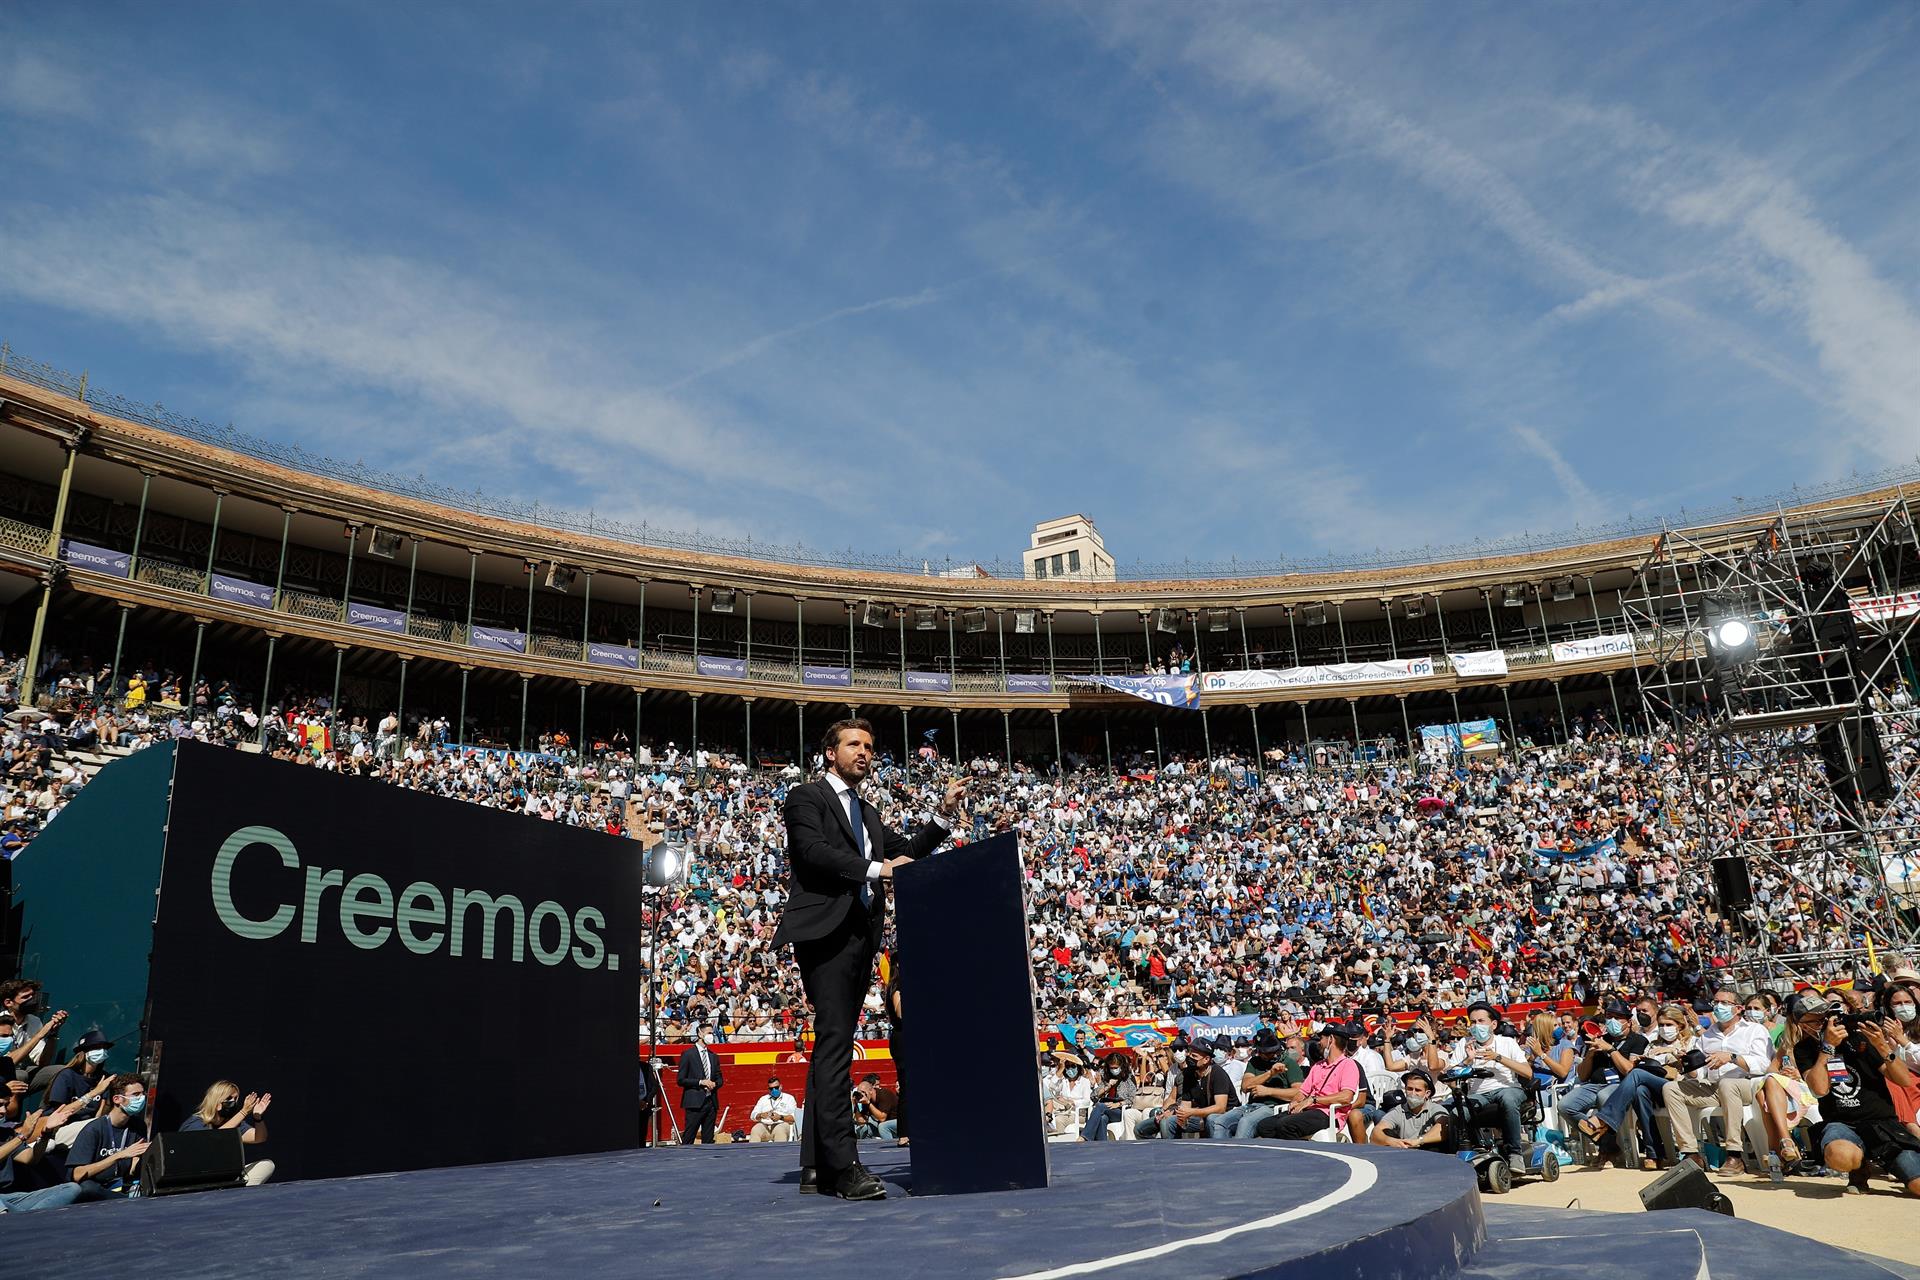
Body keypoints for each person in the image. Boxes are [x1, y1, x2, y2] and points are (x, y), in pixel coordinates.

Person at [772, 719, 964, 1201]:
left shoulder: (869, 814)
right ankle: (844, 1166)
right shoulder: (805, 797)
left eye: (870, 747)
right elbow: (811, 853)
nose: (864, 753)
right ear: (830, 753)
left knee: (832, 1043)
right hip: (825, 932)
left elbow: (908, 853)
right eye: (854, 745)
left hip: (861, 935)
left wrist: (941, 816)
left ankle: (815, 1165)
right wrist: (877, 869)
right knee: (835, 1041)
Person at [1790, 993, 1920, 1197]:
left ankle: (1898, 1167)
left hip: (1882, 1123)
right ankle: (1859, 1168)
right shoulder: (1804, 1049)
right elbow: (1819, 1089)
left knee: (1918, 1186)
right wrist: (1827, 1047)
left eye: (1827, 1016)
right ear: (1804, 1025)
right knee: (1840, 1156)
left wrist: (1883, 1047)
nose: (1827, 1022)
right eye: (1818, 1019)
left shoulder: (1859, 1038)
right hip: (1842, 1123)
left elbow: (1903, 1080)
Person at [1662, 984, 1771, 1176]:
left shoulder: (1754, 1030)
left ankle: (1734, 1155)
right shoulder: (1708, 1035)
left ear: (1738, 1008)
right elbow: (1701, 1073)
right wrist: (1689, 1064)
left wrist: (1732, 1057)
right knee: (1671, 1088)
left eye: (1724, 1003)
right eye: (1716, 1002)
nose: (1719, 1006)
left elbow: (1763, 1064)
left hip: (1748, 1086)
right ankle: (1690, 1152)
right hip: (1714, 1088)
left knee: (1727, 1083)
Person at [1438, 1002, 1532, 1172]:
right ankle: (1465, 1153)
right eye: (1473, 1022)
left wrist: (1498, 1057)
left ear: (1493, 1025)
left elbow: (1527, 1073)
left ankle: (1515, 1153)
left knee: (1508, 1099)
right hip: (1478, 1093)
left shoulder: (1507, 1042)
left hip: (1507, 1088)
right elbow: (1450, 1078)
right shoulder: (1464, 1044)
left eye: (1481, 1021)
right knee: (1457, 1112)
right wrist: (1467, 1060)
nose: (1476, 1026)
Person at [1256, 1023, 1363, 1140]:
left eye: (1322, 1038)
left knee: (1286, 1125)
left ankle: (1300, 1155)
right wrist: (1295, 1102)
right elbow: (1303, 1091)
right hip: (1309, 1110)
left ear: (1331, 1039)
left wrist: (1313, 1100)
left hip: (1328, 1113)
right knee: (1264, 1126)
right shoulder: (1318, 1066)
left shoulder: (1348, 1065)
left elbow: (1346, 1097)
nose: (1319, 1042)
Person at [66, 1074, 152, 1200]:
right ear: (117, 1099)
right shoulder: (93, 1129)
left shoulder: (138, 1126)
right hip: (96, 1189)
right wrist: (118, 1156)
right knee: (88, 1189)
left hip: (122, 1186)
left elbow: (132, 1168)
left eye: (143, 1093)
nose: (142, 1098)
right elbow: (77, 1175)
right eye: (136, 1095)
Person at [179, 1081, 276, 1185]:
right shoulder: (196, 1122)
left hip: (224, 1176)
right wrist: (243, 1112)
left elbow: (259, 1138)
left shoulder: (234, 1122)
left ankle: (235, 1190)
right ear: (216, 1101)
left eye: (235, 1099)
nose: (233, 1102)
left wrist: (258, 1117)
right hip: (196, 1178)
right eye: (229, 1098)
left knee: (267, 1165)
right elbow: (212, 1139)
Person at [0, 1099, 88, 1212]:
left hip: (11, 1198)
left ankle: (25, 1219)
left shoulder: (6, 1134)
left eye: (5, 1105)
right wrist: (22, 1136)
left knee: (71, 1188)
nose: (3, 1110)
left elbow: (29, 1158)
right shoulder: (17, 1136)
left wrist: (46, 1134)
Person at [1147, 1038, 1236, 1138]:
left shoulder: (1217, 1073)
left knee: (1212, 1119)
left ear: (1206, 1059)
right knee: (1168, 1122)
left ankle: (1216, 1151)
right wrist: (1175, 1112)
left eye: (1194, 1056)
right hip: (1201, 1115)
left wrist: (1191, 1112)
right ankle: (1173, 1151)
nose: (1189, 1057)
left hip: (1227, 1116)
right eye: (1189, 1054)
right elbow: (1185, 1105)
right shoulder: (1188, 1074)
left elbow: (1221, 1108)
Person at [1371, 1069, 1453, 1152]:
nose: (1413, 1093)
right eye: (1409, 1089)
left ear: (1427, 1093)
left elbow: (1443, 1128)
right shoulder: (1399, 1110)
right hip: (1404, 1152)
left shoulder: (1435, 1109)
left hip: (1429, 1154)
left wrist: (1419, 1140)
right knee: (1385, 1132)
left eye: (1417, 1090)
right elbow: (1376, 1133)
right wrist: (1392, 1141)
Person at [677, 1028, 724, 1145]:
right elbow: (681, 1080)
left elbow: (720, 1078)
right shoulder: (688, 1054)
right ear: (700, 1034)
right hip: (694, 1102)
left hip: (711, 1101)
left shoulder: (713, 1056)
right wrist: (700, 1082)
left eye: (712, 1033)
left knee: (708, 1139)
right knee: (689, 1137)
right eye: (708, 1033)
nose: (711, 1036)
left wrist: (715, 1084)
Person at [1084, 1053, 1135, 1141]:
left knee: (1099, 1106)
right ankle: (1102, 1144)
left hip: (1121, 1110)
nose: (1113, 1070)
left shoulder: (1128, 1078)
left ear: (1121, 1066)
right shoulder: (1106, 1077)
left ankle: (1085, 1136)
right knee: (1102, 1118)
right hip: (1106, 1108)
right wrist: (1107, 1087)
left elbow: (1133, 1098)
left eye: (1116, 1068)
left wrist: (1118, 1104)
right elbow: (1093, 1096)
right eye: (1111, 1068)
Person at [749, 1077, 797, 1143]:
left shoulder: (789, 1098)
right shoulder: (763, 1099)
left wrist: (780, 1117)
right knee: (755, 1129)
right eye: (771, 1089)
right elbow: (752, 1115)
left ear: (780, 1087)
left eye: (776, 1087)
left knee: (780, 1130)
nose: (774, 1090)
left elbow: (794, 1118)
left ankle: (780, 1152)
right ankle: (753, 1152)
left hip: (781, 1123)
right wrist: (760, 1115)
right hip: (765, 1126)